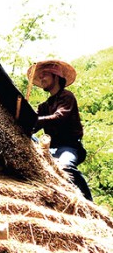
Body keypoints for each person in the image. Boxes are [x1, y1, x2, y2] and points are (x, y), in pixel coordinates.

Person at [28, 59, 93, 201]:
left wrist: (33, 120)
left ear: (56, 76)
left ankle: (89, 203)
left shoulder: (67, 97)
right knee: (28, 140)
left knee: (65, 167)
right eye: (40, 76)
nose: (41, 78)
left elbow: (60, 117)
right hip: (49, 149)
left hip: (69, 147)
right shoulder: (43, 106)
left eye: (45, 75)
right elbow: (34, 127)